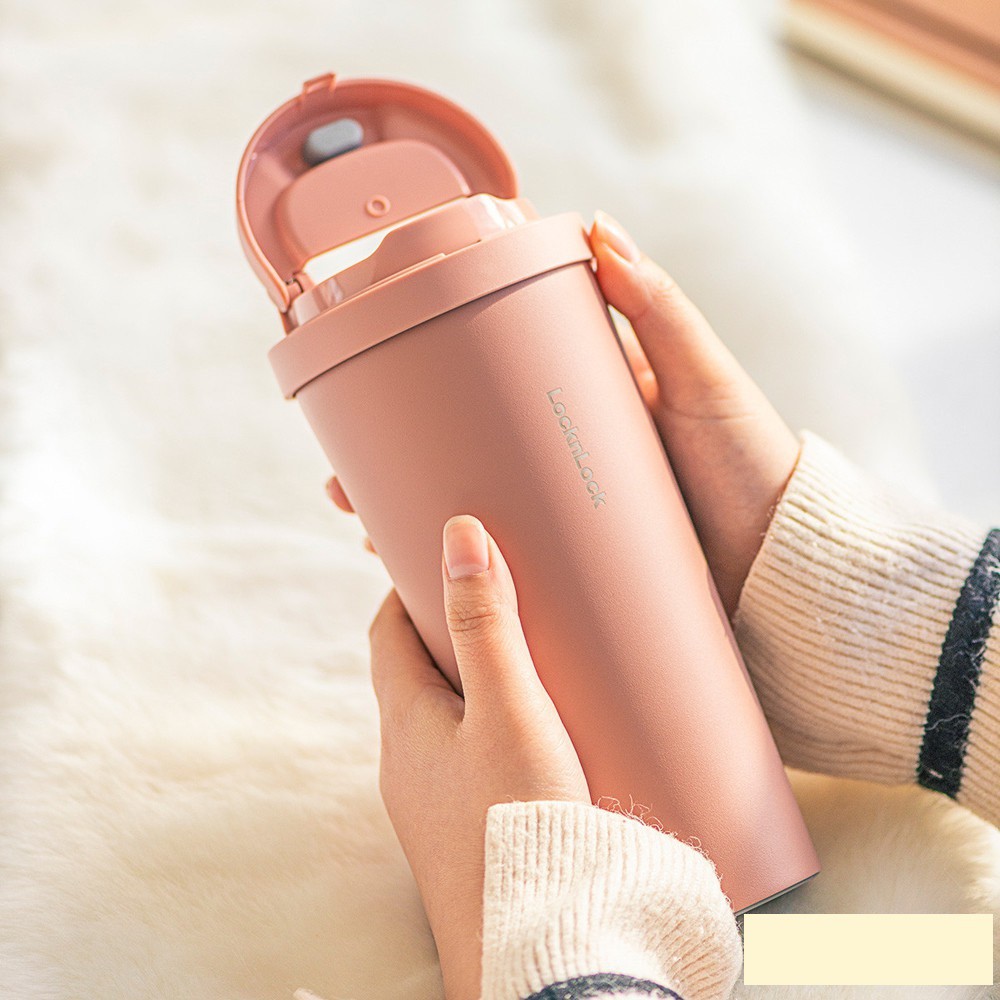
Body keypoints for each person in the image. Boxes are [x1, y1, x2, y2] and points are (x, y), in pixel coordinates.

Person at [324, 212, 999, 1000]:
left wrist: (533, 912)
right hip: (788, 915)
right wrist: (876, 614)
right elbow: (957, 957)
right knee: (880, 945)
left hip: (748, 896)